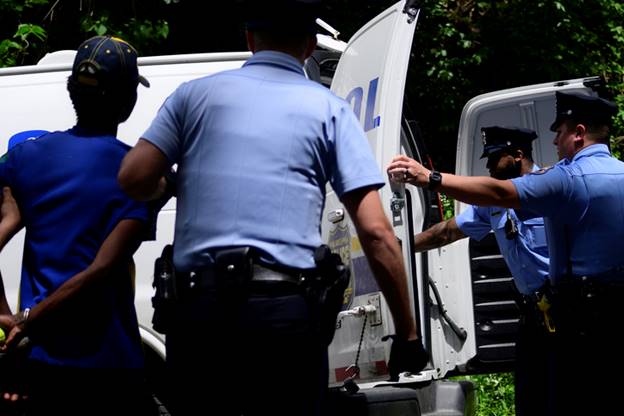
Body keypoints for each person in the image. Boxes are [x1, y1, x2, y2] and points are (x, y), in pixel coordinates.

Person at [117, 1, 427, 414]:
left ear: (249, 39)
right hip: (283, 315)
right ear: (310, 45)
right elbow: (375, 232)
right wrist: (407, 333)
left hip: (199, 314)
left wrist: (175, 182)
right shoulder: (329, 109)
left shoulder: (192, 96)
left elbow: (133, 178)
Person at [387, 91, 622, 415]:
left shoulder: (561, 181)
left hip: (576, 316)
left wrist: (431, 179)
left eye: (560, 132)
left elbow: (499, 192)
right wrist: (394, 248)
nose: (555, 141)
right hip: (553, 317)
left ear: (579, 133)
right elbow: (449, 230)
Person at [0, 35, 155, 416]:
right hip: (111, 365)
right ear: (128, 102)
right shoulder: (135, 174)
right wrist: (25, 321)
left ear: (72, 90)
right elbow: (101, 271)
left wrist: (7, 320)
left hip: (41, 365)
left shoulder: (23, 158)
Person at [413, 126, 550, 415]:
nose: (487, 166)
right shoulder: (493, 204)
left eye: (494, 158)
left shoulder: (551, 187)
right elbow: (446, 232)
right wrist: (398, 246)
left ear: (517, 155)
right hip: (531, 316)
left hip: (566, 309)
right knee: (531, 401)